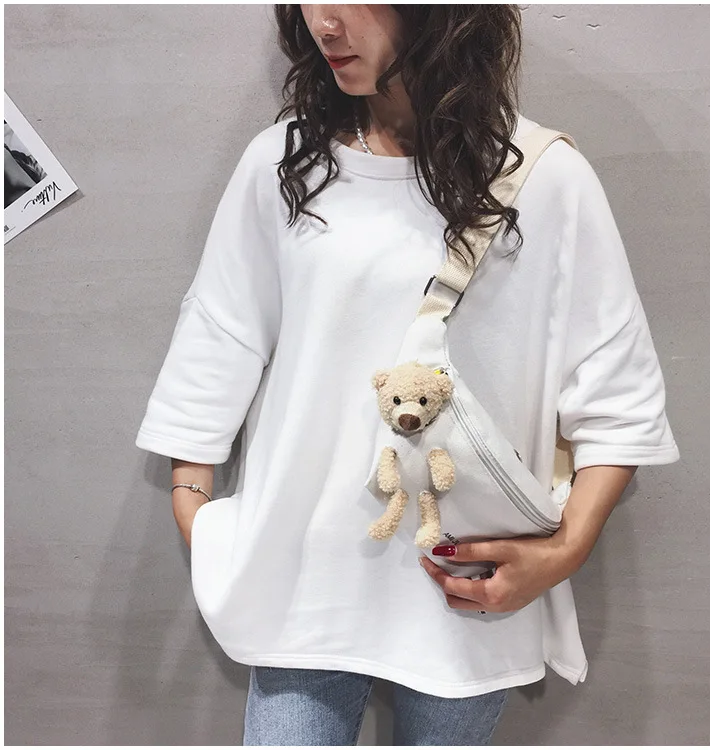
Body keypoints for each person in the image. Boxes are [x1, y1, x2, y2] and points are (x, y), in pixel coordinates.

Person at [135, 5, 680, 746]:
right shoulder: (286, 165)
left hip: (466, 592)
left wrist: (562, 554)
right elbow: (218, 340)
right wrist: (195, 511)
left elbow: (618, 397)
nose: (323, 23)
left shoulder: (545, 178)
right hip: (302, 583)